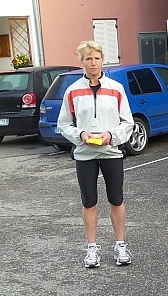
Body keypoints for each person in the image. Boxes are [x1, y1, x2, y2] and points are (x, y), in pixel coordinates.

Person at [57, 40, 134, 268]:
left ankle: (120, 245)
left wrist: (112, 134)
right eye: (88, 58)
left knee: (116, 199)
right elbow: (63, 124)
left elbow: (128, 123)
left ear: (103, 61)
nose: (93, 63)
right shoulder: (72, 91)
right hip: (85, 154)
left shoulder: (115, 88)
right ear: (81, 62)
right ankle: (92, 248)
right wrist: (80, 134)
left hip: (111, 152)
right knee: (89, 202)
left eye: (97, 58)